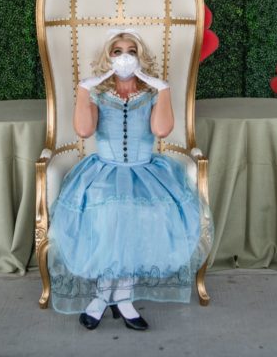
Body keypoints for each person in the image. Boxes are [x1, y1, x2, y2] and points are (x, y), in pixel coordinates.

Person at [47, 28, 213, 331]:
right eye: (117, 51)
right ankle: (102, 297)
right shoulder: (97, 93)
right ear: (109, 57)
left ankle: (122, 298)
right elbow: (84, 130)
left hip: (145, 171)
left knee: (135, 218)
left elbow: (162, 130)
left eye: (132, 51)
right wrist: (85, 89)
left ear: (139, 57)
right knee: (110, 216)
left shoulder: (151, 94)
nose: (125, 56)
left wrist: (162, 89)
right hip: (104, 172)